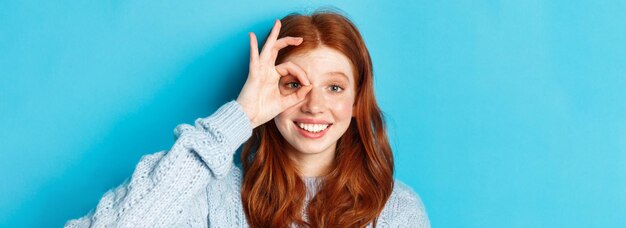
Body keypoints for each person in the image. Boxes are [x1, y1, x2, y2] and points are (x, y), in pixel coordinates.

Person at [65, 9, 429, 228]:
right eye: (294, 84)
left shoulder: (395, 210)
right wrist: (240, 116)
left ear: (356, 101)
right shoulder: (211, 195)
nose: (315, 105)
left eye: (334, 88)